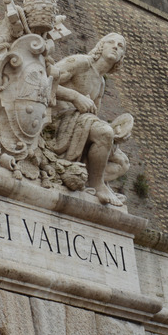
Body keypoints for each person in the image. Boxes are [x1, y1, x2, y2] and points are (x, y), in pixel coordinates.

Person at [46, 33, 130, 206]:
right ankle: (97, 185)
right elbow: (45, 80)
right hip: (57, 122)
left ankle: (85, 180)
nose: (115, 46)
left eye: (120, 46)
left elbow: (92, 118)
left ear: (121, 57)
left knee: (122, 162)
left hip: (78, 126)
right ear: (100, 46)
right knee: (104, 133)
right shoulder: (81, 62)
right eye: (111, 42)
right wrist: (75, 97)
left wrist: (116, 134)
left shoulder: (101, 83)